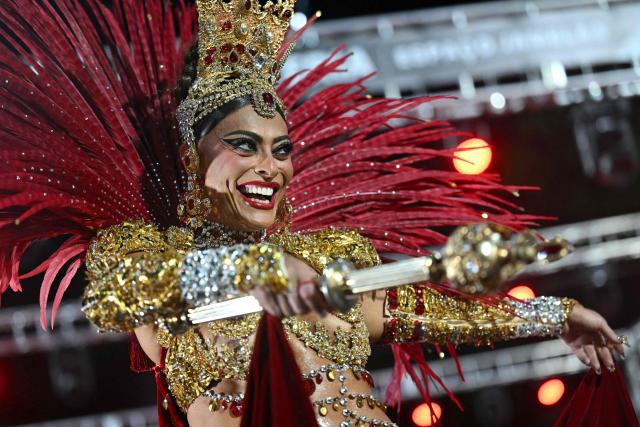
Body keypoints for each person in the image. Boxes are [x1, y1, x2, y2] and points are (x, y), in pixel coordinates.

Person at [0, 1, 626, 426]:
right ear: (194, 162)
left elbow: (431, 309)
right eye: (242, 146)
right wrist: (256, 274)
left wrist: (555, 313)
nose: (269, 166)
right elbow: (120, 298)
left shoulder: (330, 260)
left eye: (281, 150)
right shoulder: (145, 254)